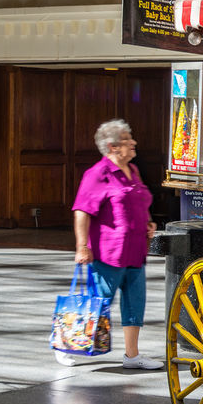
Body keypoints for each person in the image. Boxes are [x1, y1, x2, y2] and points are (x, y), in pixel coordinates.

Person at [68, 119, 162, 370]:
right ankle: (67, 344)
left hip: (135, 249)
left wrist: (149, 222)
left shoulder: (134, 170)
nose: (133, 143)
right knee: (98, 303)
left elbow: (139, 202)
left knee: (135, 303)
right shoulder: (98, 174)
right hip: (109, 252)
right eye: (127, 140)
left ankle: (132, 355)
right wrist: (82, 246)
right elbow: (81, 211)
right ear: (112, 146)